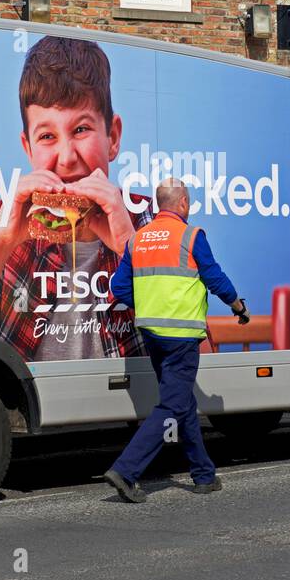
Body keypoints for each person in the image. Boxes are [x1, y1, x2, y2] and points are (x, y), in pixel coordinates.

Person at [0, 36, 150, 361]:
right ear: (28, 148)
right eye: (47, 136)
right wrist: (0, 241)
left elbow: (197, 363)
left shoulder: (148, 220)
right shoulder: (14, 221)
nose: (66, 156)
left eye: (81, 130)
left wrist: (131, 250)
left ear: (112, 138)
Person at [102, 177, 249, 503]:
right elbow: (214, 277)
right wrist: (237, 305)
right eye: (189, 201)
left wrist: (151, 305)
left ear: (158, 205)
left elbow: (120, 288)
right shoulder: (191, 236)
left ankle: (203, 475)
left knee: (182, 402)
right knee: (171, 405)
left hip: (152, 335)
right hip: (182, 337)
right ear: (182, 203)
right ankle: (125, 470)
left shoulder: (138, 240)